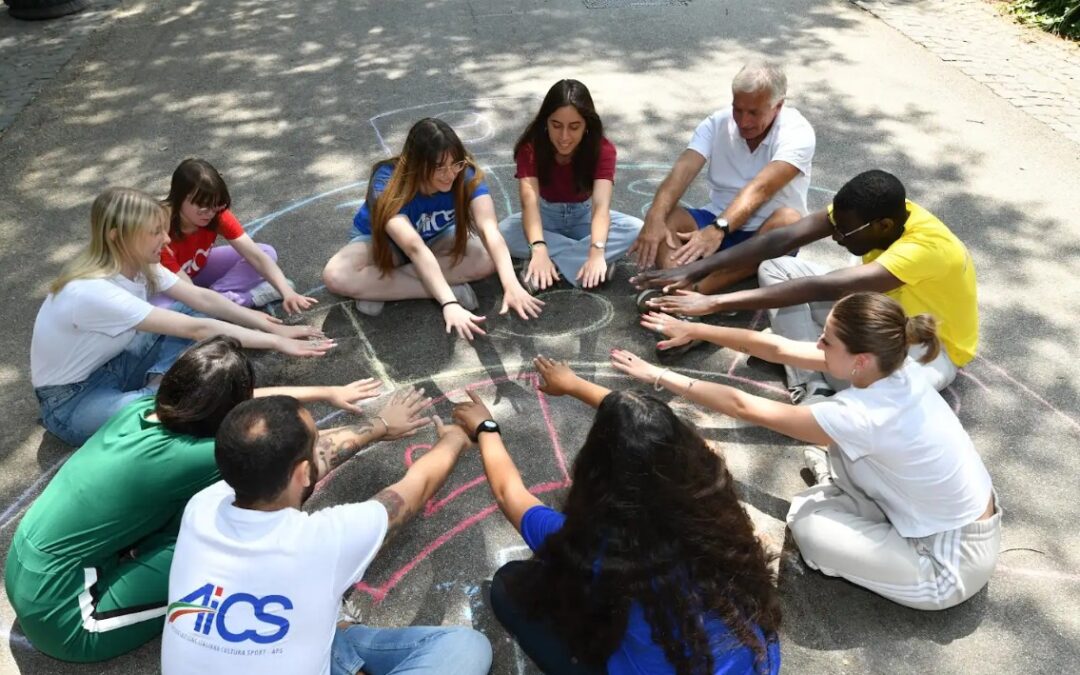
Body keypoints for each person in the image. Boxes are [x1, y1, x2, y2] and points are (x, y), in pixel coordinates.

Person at [7, 336, 424, 663]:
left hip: (27, 574)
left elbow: (238, 405)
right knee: (228, 534)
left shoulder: (140, 410)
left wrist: (323, 392)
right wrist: (381, 425)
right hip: (69, 618)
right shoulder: (196, 457)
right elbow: (295, 454)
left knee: (200, 509)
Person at [623, 292, 1000, 610]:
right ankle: (848, 496)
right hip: (947, 520)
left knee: (809, 527)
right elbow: (778, 347)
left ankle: (841, 500)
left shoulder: (863, 414)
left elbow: (743, 406)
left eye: (827, 340)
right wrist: (693, 327)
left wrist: (658, 376)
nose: (818, 343)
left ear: (860, 359)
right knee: (836, 446)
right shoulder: (895, 363)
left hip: (947, 565)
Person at [452, 367, 781, 674]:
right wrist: (578, 386)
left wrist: (486, 428)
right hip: (759, 662)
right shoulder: (713, 507)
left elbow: (509, 493)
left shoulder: (600, 549)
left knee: (508, 584)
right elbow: (655, 437)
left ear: (596, 476)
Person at [161, 395, 492, 675]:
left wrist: (380, 425)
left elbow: (283, 461)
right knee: (466, 647)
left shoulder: (201, 508)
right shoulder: (323, 542)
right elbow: (414, 489)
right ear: (304, 473)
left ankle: (338, 641)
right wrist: (454, 439)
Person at [637, 170, 977, 402]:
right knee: (777, 268)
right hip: (878, 315)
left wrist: (712, 306)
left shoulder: (926, 249)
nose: (838, 236)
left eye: (845, 232)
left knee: (884, 398)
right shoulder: (870, 214)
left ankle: (797, 354)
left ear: (884, 225)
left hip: (928, 347)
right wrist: (697, 269)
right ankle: (811, 383)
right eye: (836, 227)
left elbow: (824, 287)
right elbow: (785, 238)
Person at [30, 188, 332, 446]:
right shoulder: (92, 291)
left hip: (115, 363)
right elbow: (197, 328)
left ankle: (159, 384)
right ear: (116, 237)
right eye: (154, 232)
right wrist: (277, 342)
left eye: (164, 229)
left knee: (192, 307)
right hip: (71, 401)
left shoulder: (139, 265)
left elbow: (202, 299)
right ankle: (157, 392)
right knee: (181, 413)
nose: (165, 239)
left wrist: (270, 328)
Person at [322, 117, 544, 340]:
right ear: (417, 163)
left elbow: (489, 230)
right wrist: (448, 301)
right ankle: (445, 288)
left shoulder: (465, 173)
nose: (449, 175)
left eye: (455, 164)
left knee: (486, 258)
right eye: (439, 168)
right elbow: (413, 248)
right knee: (336, 275)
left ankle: (377, 287)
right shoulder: (386, 181)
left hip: (436, 237)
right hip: (383, 244)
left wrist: (511, 284)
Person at [628, 61, 814, 294]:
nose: (743, 121)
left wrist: (718, 230)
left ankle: (701, 287)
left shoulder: (797, 132)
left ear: (778, 106)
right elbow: (683, 170)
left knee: (790, 220)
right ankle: (674, 281)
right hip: (715, 219)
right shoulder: (717, 123)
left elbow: (761, 188)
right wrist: (654, 217)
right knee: (667, 215)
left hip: (766, 234)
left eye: (754, 113)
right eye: (738, 109)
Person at [497, 79, 643, 292]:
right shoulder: (531, 148)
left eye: (574, 127)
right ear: (545, 122)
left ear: (586, 126)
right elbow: (529, 203)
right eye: (556, 125)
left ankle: (554, 265)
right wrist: (538, 248)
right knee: (500, 233)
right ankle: (582, 264)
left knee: (636, 229)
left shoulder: (602, 149)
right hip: (544, 215)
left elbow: (601, 207)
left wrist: (596, 251)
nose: (564, 137)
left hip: (584, 216)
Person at [154, 158, 317, 313]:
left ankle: (221, 297)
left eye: (216, 206)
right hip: (165, 284)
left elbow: (257, 256)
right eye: (203, 207)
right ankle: (247, 298)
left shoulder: (216, 213)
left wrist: (287, 292)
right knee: (169, 315)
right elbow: (187, 290)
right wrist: (204, 303)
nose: (210, 213)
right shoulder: (157, 229)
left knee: (267, 252)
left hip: (198, 269)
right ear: (180, 198)